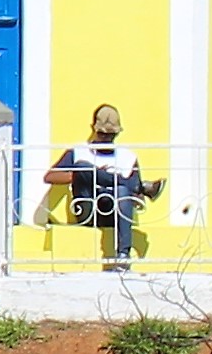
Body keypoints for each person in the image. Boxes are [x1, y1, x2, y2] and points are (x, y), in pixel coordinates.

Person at [39, 104, 160, 259]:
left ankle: (123, 254)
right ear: (93, 129)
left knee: (122, 190)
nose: (106, 138)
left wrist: (132, 194)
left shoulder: (128, 157)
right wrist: (85, 174)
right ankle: (140, 186)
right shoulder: (79, 151)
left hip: (115, 211)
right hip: (88, 208)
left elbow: (136, 200)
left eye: (111, 135)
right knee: (83, 167)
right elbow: (49, 177)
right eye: (102, 134)